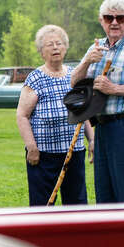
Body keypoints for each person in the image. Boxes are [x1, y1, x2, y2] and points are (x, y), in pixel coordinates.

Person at [69, 0, 124, 203]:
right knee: (104, 192)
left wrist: (114, 88)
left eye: (120, 18)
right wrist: (87, 61)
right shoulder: (95, 48)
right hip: (101, 129)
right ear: (101, 20)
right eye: (108, 18)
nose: (114, 23)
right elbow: (74, 83)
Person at [16, 25, 90, 206]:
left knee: (77, 202)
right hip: (44, 155)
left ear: (65, 47)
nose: (55, 47)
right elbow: (22, 115)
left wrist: (92, 140)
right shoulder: (35, 78)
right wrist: (31, 147)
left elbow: (83, 112)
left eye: (59, 43)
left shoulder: (74, 75)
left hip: (74, 152)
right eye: (50, 44)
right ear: (41, 52)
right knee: (42, 204)